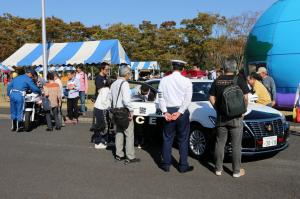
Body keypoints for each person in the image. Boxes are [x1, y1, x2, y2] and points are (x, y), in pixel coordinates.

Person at [209, 59, 249, 178]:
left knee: (220, 143)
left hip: (221, 117)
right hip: (236, 117)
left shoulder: (217, 80)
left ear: (224, 68)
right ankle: (236, 171)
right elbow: (246, 97)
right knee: (236, 145)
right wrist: (243, 111)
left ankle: (218, 169)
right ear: (235, 68)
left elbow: (211, 97)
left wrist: (217, 109)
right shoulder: (239, 80)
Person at [158, 60, 194, 173]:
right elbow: (188, 99)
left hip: (168, 110)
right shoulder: (187, 81)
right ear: (183, 69)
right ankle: (183, 166)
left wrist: (165, 112)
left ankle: (166, 165)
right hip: (181, 113)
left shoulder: (164, 80)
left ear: (172, 67)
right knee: (183, 139)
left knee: (167, 138)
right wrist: (180, 112)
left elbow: (160, 97)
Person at [108, 65, 140, 164]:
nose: (130, 75)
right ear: (126, 74)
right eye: (130, 73)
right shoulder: (125, 84)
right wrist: (131, 111)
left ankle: (119, 154)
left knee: (119, 132)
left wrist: (111, 109)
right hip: (123, 111)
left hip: (115, 111)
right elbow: (126, 100)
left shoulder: (114, 83)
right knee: (129, 134)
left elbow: (109, 98)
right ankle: (130, 156)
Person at [90, 62, 110, 133]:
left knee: (105, 120)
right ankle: (99, 137)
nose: (108, 71)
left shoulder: (105, 77)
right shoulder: (98, 78)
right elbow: (100, 91)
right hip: (100, 102)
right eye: (107, 69)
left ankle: (103, 134)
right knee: (100, 121)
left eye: (108, 69)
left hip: (105, 102)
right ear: (102, 69)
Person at [93, 79, 111, 149]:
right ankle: (98, 143)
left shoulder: (104, 89)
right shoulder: (106, 90)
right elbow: (104, 101)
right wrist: (110, 107)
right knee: (101, 126)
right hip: (101, 109)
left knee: (103, 126)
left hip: (99, 108)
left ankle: (103, 140)